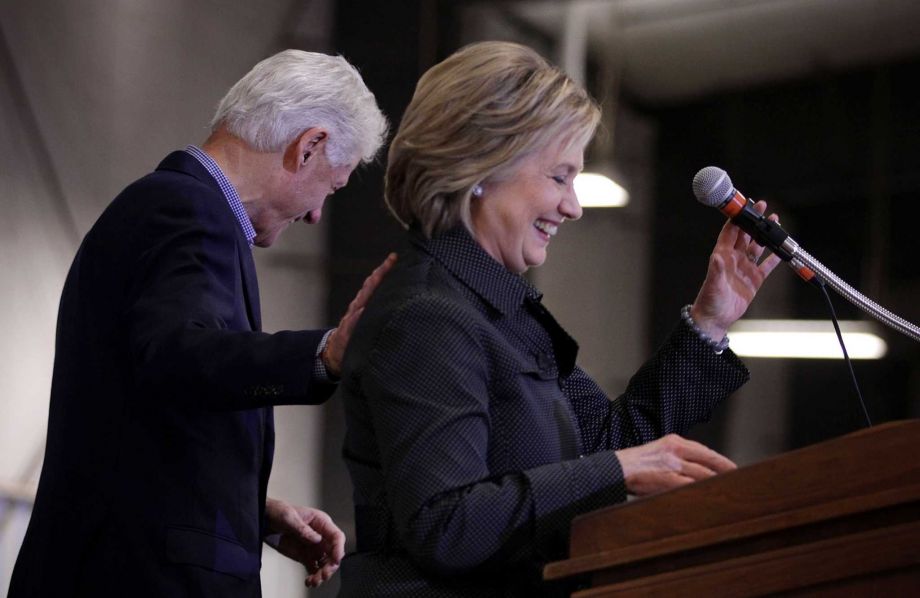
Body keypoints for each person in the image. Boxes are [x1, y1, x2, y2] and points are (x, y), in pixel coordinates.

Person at [336, 41, 782, 596]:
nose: (573, 206)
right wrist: (616, 471)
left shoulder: (497, 308)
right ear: (481, 165)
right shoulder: (429, 316)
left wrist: (710, 321)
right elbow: (444, 525)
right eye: (559, 177)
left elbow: (608, 442)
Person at [9, 49, 393, 597]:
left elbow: (140, 422)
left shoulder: (172, 207)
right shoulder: (187, 211)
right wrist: (326, 353)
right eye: (332, 187)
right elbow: (180, 359)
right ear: (309, 146)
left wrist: (249, 513)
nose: (315, 215)